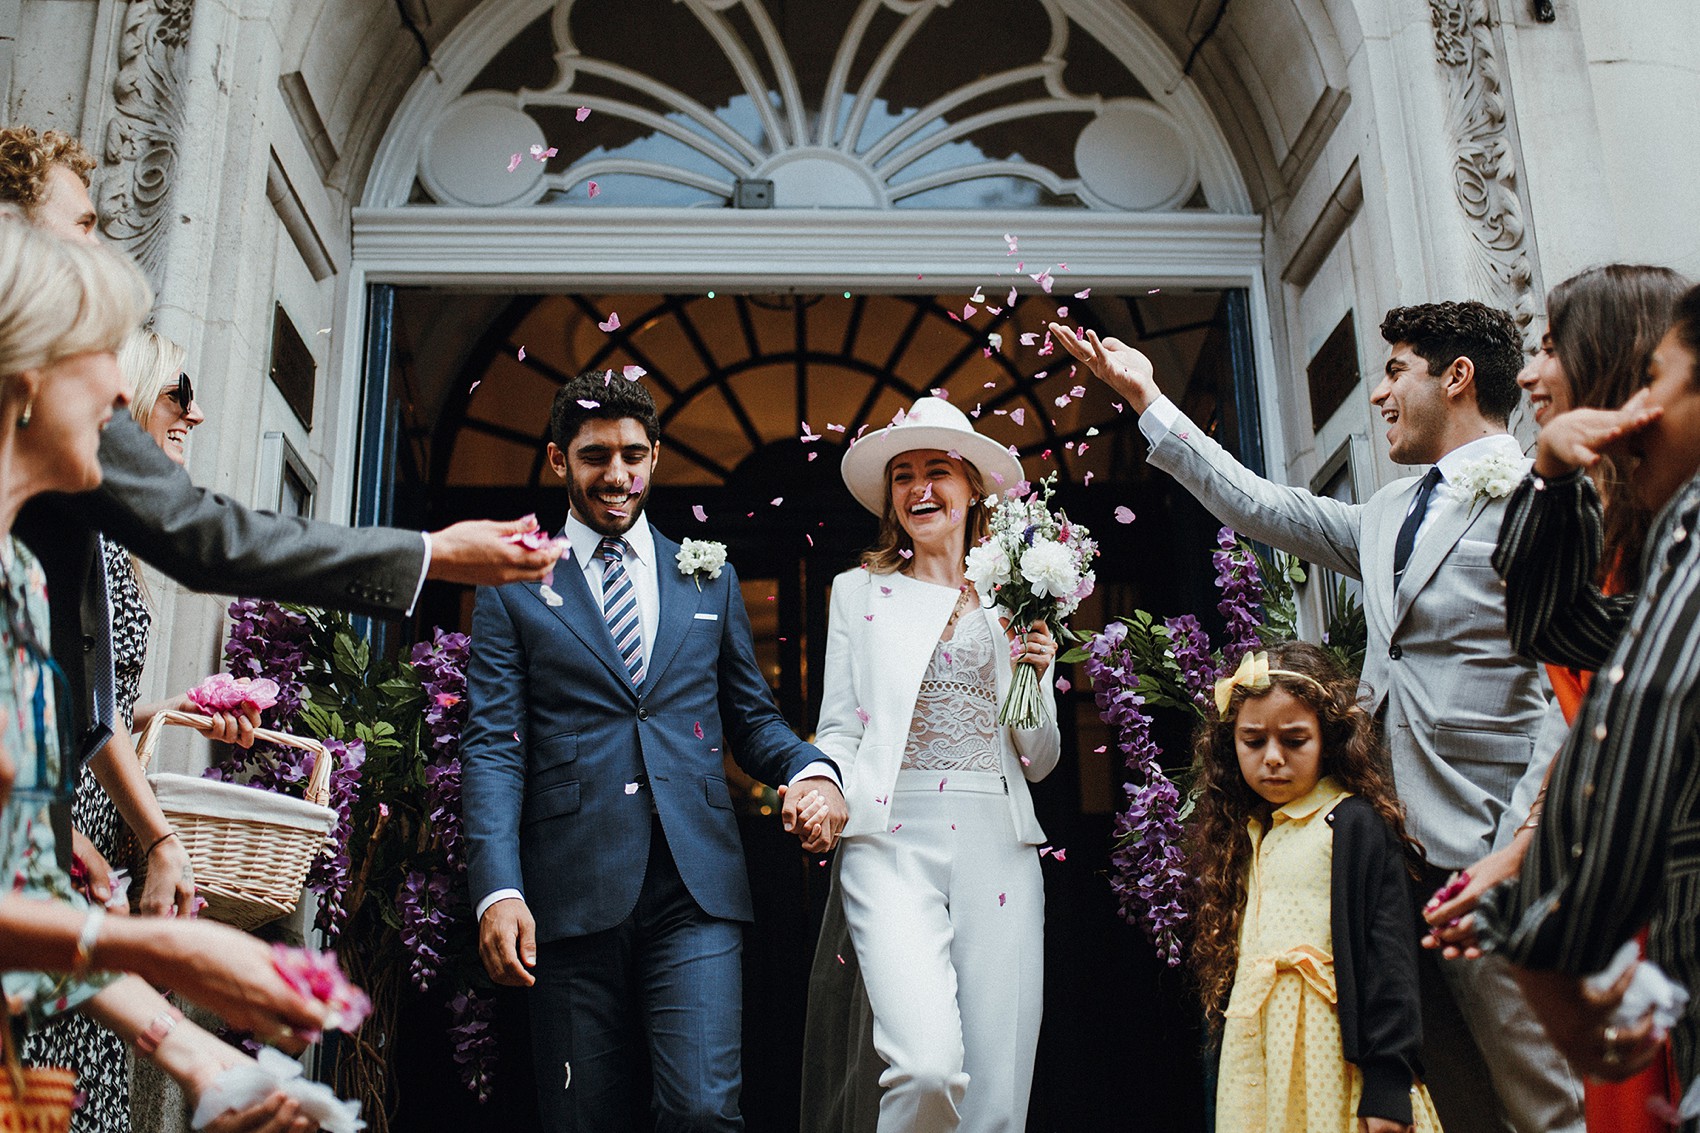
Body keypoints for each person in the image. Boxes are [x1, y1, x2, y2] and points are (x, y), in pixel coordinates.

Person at [1053, 303, 1584, 1133]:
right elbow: (1261, 506)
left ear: (1456, 377)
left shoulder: (1541, 498)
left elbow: (1567, 687)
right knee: (1448, 1098)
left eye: (1396, 370)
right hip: (1387, 855)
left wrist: (1521, 839)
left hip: (1491, 853)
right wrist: (1148, 398)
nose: (1378, 394)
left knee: (1544, 1100)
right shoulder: (1386, 512)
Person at [0, 123, 564, 899]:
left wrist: (50, 832)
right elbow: (207, 535)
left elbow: (83, 695)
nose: (120, 399)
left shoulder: (25, 578)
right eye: (85, 225)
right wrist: (434, 553)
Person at [0, 212, 327, 1132]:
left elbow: (24, 864)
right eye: (110, 362)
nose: (131, 390)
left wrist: (193, 1048)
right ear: (28, 375)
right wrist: (171, 945)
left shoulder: (25, 577)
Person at [461, 371, 848, 1132]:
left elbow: (752, 719)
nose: (616, 474)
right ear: (556, 460)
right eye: (595, 454)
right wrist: (498, 889)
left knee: (703, 1111)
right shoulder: (511, 588)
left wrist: (811, 768)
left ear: (656, 456)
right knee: (580, 1118)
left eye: (633, 454)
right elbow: (494, 747)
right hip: (568, 892)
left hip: (694, 889)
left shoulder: (710, 577)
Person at [1421, 266, 1687, 1133]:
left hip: (1629, 882)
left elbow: (1631, 715)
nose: (1531, 374)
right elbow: (1551, 631)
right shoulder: (1622, 521)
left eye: (1547, 347)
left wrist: (1541, 911)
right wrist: (1551, 476)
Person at [804, 396, 1060, 1132]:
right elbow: (838, 729)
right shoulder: (856, 593)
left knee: (996, 1099)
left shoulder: (1017, 595)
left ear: (972, 485)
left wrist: (1033, 674)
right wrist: (819, 784)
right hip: (890, 841)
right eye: (904, 474)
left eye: (937, 471)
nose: (920, 488)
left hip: (1000, 844)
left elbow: (1037, 760)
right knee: (925, 1068)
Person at [21, 328, 206, 1132]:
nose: (192, 417)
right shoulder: (72, 526)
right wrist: (159, 838)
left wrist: (172, 709)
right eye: (178, 393)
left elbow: (99, 703)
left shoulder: (112, 534)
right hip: (60, 843)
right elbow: (77, 722)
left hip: (88, 842)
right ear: (126, 397)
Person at [1191, 642, 1441, 1132]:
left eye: (1295, 740)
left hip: (1330, 1057)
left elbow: (1388, 959)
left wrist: (1388, 1082)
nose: (1273, 759)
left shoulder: (1350, 825)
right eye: (1253, 741)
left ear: (1328, 738)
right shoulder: (1250, 832)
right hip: (1259, 1056)